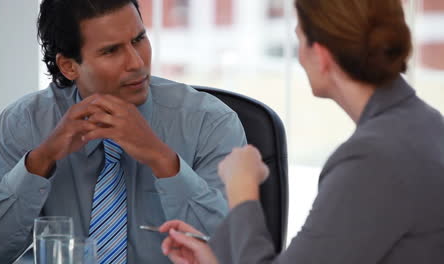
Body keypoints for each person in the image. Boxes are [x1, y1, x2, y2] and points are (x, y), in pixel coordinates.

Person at [159, 0, 444, 263]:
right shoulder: (425, 124)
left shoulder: (374, 158)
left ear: (321, 55)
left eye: (299, 39)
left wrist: (242, 188)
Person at [0, 0, 246, 263]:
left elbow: (234, 251)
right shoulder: (24, 123)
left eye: (139, 39)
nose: (136, 62)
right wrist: (38, 163)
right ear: (69, 66)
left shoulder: (210, 122)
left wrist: (162, 159)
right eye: (111, 51)